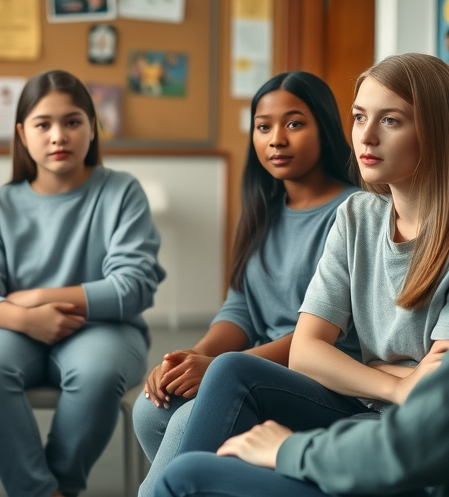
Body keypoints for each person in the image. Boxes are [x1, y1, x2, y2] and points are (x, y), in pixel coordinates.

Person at [156, 0, 449, 497]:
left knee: (187, 477)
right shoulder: (361, 212)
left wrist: (291, 449)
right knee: (223, 384)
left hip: (417, 461)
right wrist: (393, 376)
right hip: (384, 425)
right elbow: (314, 352)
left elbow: (436, 418)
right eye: (359, 116)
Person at [133, 71, 361, 497]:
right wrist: (195, 356)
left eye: (294, 123)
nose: (276, 139)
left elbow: (333, 331)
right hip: (251, 366)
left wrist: (218, 370)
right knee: (150, 408)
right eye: (263, 126)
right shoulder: (263, 209)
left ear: (325, 128)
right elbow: (239, 308)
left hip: (320, 378)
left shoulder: (352, 212)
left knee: (186, 421)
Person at [0, 69, 166, 497]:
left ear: (93, 127)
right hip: (18, 329)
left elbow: (134, 286)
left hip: (106, 330)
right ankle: (38, 491)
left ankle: (62, 488)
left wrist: (39, 297)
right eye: (43, 124)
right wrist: (25, 318)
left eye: (72, 122)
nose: (59, 136)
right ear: (22, 133)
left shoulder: (121, 191)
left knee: (97, 370)